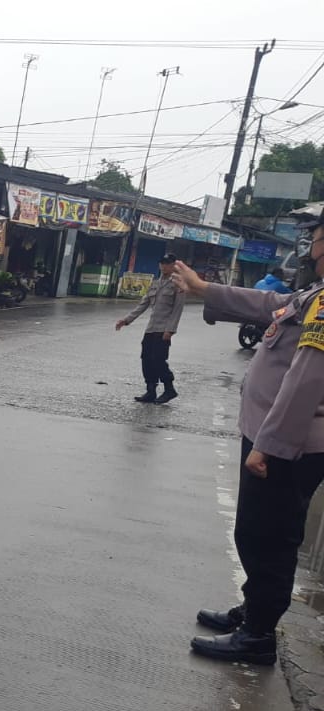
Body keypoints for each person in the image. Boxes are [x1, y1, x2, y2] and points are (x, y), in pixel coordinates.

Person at [169, 215, 324, 666]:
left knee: (268, 536)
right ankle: (254, 610)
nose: (311, 250)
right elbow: (268, 304)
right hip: (277, 438)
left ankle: (258, 635)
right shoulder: (314, 295)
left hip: (288, 444)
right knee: (256, 531)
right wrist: (204, 289)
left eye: (315, 240)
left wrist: (271, 444)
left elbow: (306, 381)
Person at [115, 253, 187, 404]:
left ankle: (169, 389)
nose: (164, 266)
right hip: (151, 328)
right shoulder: (155, 283)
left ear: (173, 265)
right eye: (162, 263)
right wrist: (126, 320)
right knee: (146, 359)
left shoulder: (178, 284)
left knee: (159, 359)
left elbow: (177, 309)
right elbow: (143, 304)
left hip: (164, 329)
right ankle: (150, 390)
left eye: (167, 263)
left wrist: (170, 330)